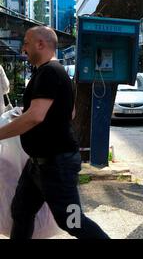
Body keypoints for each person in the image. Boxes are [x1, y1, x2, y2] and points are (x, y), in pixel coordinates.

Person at [0, 26, 109, 239]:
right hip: (38, 163)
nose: (24, 49)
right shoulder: (57, 73)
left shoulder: (49, 72)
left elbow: (35, 116)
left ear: (41, 44)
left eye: (27, 43)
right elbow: (69, 112)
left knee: (73, 221)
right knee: (21, 211)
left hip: (55, 163)